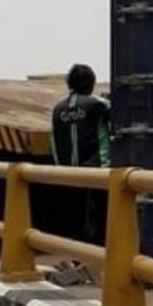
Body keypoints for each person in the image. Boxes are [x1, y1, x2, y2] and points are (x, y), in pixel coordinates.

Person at [50, 64, 111, 244]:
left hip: (66, 174)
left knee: (74, 224)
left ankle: (78, 260)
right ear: (91, 84)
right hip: (97, 172)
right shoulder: (98, 105)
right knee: (99, 224)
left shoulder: (57, 109)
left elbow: (52, 141)